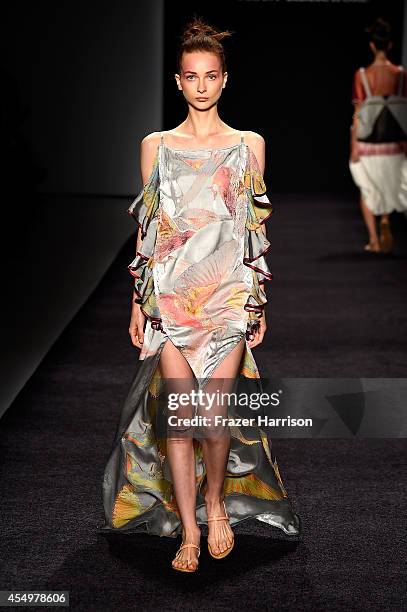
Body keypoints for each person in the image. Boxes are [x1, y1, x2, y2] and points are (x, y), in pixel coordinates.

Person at [100, 16, 300, 573]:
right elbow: (149, 231)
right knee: (181, 421)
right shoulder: (156, 147)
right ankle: (189, 529)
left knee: (214, 418)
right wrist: (137, 303)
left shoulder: (247, 145)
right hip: (170, 297)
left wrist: (256, 301)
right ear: (178, 81)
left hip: (227, 296)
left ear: (225, 79)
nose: (203, 85)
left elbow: (253, 229)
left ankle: (215, 503)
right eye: (192, 76)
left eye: (212, 75)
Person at [349, 17, 407, 253]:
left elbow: (358, 113)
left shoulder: (363, 75)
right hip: (396, 142)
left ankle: (374, 240)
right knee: (395, 185)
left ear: (372, 45)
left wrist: (353, 144)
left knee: (369, 189)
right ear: (390, 45)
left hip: (368, 142)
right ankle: (387, 219)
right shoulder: (401, 75)